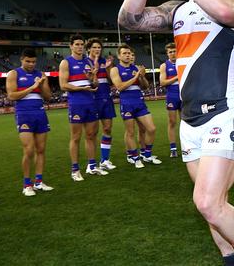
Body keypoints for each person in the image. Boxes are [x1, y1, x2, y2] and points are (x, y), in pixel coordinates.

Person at [118, 0, 234, 265]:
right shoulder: (177, 10)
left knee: (208, 202)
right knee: (215, 206)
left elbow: (225, 14)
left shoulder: (233, 1)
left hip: (223, 115)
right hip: (190, 122)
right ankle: (232, 260)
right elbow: (129, 19)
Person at [58, 34, 108, 181]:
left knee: (91, 135)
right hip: (77, 103)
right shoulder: (66, 63)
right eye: (77, 44)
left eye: (81, 44)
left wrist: (93, 77)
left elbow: (96, 84)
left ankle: (92, 166)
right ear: (71, 46)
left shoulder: (88, 61)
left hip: (90, 102)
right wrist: (83, 89)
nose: (79, 47)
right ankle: (75, 170)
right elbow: (63, 85)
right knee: (75, 138)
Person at [6, 48, 54, 197]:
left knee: (41, 149)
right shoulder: (14, 73)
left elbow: (48, 97)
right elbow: (12, 95)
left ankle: (38, 182)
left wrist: (42, 85)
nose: (31, 64)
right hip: (24, 114)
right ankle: (27, 184)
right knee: (29, 150)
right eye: (28, 61)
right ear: (21, 59)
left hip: (39, 113)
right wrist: (32, 87)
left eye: (33, 61)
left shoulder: (40, 75)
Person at [110, 44, 160, 167]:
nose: (128, 55)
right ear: (119, 55)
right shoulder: (115, 70)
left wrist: (142, 76)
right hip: (127, 104)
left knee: (151, 129)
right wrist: (136, 76)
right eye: (125, 53)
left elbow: (145, 86)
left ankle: (146, 155)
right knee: (130, 132)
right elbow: (120, 87)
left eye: (129, 53)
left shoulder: (136, 68)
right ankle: (135, 157)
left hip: (139, 102)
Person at [86, 38, 117, 170]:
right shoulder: (85, 62)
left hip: (105, 97)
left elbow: (111, 82)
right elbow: (89, 81)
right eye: (94, 47)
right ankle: (91, 163)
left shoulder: (105, 62)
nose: (97, 50)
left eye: (99, 47)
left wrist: (109, 68)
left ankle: (104, 160)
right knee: (92, 132)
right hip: (92, 98)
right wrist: (96, 68)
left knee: (108, 128)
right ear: (89, 49)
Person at [159, 42, 182, 156]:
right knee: (172, 122)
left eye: (174, 51)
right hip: (172, 95)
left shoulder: (183, 63)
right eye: (170, 52)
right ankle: (173, 149)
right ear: (167, 54)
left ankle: (186, 146)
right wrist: (178, 77)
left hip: (184, 93)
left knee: (185, 122)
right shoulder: (164, 66)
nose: (173, 54)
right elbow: (162, 82)